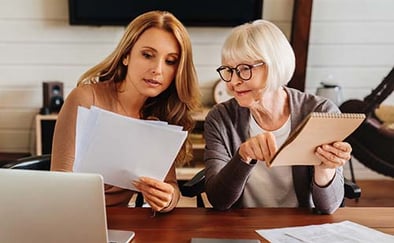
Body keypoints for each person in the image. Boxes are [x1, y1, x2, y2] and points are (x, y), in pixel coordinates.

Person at [51, 10, 200, 213]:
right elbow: (60, 184)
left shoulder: (161, 115)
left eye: (170, 61)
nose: (158, 69)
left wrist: (167, 199)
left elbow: (171, 186)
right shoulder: (86, 99)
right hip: (72, 219)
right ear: (126, 56)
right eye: (147, 55)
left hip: (121, 226)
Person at [204, 19, 352, 214]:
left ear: (274, 65)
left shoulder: (321, 112)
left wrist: (325, 169)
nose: (233, 81)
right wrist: (243, 156)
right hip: (242, 228)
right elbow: (218, 200)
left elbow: (328, 207)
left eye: (245, 69)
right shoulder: (220, 118)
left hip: (299, 228)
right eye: (229, 71)